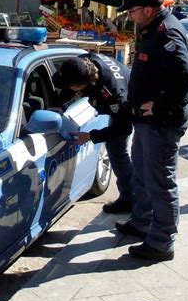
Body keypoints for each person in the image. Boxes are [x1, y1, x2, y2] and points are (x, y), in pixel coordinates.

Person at [115, 0, 188, 262]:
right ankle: (141, 222)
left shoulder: (167, 32)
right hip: (146, 121)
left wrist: (159, 105)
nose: (130, 16)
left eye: (132, 11)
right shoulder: (153, 28)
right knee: (142, 174)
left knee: (160, 182)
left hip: (162, 122)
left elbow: (184, 75)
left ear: (148, 10)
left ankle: (161, 242)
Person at [53, 53, 134, 213]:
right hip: (112, 95)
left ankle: (130, 199)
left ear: (81, 85)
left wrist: (91, 136)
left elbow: (123, 128)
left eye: (70, 86)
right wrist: (60, 106)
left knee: (117, 150)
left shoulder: (113, 93)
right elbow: (67, 90)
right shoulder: (82, 63)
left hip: (135, 106)